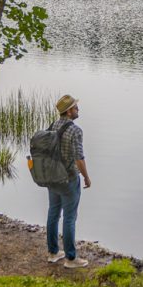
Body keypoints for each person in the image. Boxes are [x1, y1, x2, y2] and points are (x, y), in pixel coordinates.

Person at [46, 94, 91, 268]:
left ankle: (53, 252)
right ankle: (71, 259)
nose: (78, 109)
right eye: (75, 107)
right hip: (69, 178)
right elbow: (79, 158)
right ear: (69, 111)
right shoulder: (75, 130)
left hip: (52, 177)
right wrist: (86, 177)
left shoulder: (52, 126)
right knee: (70, 218)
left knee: (53, 213)